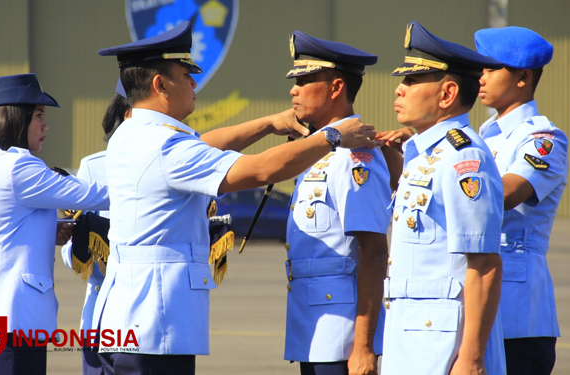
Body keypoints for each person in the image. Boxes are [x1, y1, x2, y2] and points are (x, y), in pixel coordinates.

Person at [92, 21, 377, 375]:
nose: (194, 83)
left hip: (125, 317)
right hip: (155, 323)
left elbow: (202, 147)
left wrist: (270, 123)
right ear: (159, 83)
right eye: (186, 74)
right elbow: (259, 171)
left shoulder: (135, 134)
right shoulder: (166, 145)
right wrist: (332, 136)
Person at [0, 73, 110, 375]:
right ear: (15, 119)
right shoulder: (20, 167)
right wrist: (149, 188)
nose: (45, 125)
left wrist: (45, 233)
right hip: (11, 324)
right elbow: (93, 195)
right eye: (39, 115)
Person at [378, 21, 507, 375]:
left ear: (447, 94)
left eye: (412, 81)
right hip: (412, 337)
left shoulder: (464, 159)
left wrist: (472, 358)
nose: (400, 90)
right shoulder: (421, 154)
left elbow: (484, 264)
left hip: (445, 345)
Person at [281, 31, 391, 375]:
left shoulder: (353, 154)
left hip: (342, 337)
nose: (293, 90)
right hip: (312, 326)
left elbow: (373, 249)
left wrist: (363, 347)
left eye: (305, 79)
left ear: (336, 88)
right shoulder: (322, 148)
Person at [474, 26, 567, 375]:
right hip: (479, 301)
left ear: (523, 77)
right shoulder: (484, 136)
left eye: (490, 68)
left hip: (518, 314)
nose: (480, 77)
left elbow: (508, 193)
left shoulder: (543, 138)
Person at [60, 79, 131, 375]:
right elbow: (69, 253)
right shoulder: (94, 167)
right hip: (104, 315)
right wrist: (88, 244)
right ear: (128, 114)